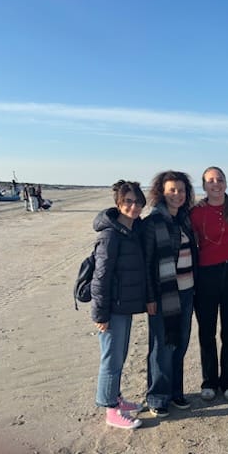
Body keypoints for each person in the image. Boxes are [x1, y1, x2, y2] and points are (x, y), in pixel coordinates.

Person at [91, 180, 148, 430]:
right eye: (128, 201)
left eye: (137, 202)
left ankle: (116, 398)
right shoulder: (110, 235)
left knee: (120, 355)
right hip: (111, 308)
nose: (133, 206)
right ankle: (110, 409)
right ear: (118, 203)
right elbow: (100, 277)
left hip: (123, 306)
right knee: (111, 359)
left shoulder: (132, 231)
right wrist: (100, 315)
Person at [143, 170, 198, 418]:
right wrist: (150, 297)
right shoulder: (153, 222)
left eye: (182, 190)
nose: (178, 194)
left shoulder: (184, 219)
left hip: (187, 292)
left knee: (180, 344)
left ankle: (176, 392)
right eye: (172, 190)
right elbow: (147, 264)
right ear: (162, 193)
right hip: (163, 295)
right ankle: (158, 396)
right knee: (161, 347)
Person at [190, 167, 228, 402]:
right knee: (207, 331)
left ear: (226, 182)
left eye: (220, 179)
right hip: (205, 275)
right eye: (210, 180)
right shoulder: (195, 212)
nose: (216, 184)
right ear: (204, 186)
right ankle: (209, 381)